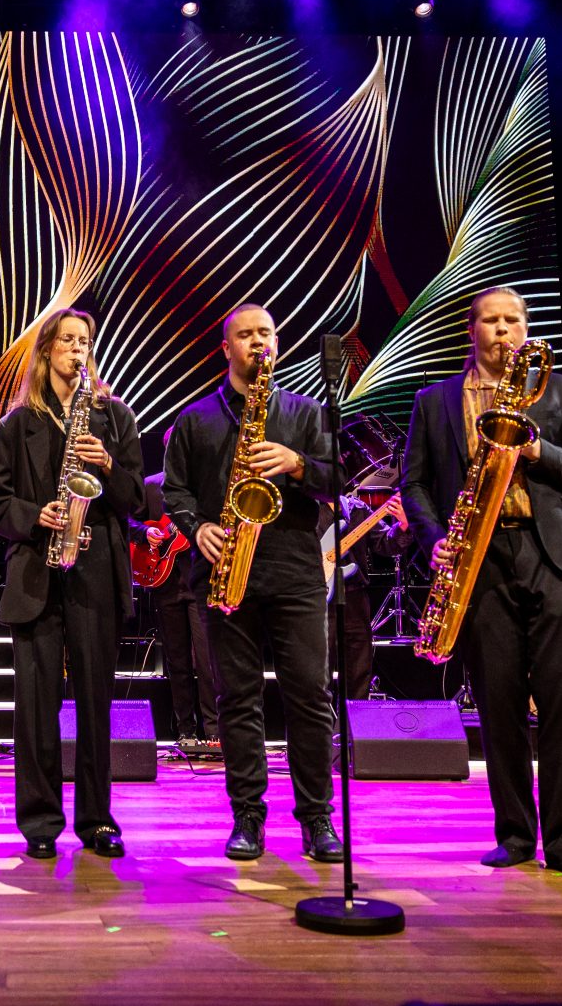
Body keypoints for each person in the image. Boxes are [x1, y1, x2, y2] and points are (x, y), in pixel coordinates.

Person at [400, 287, 562, 881]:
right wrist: (432, 537)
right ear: (470, 331)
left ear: (526, 328)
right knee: (498, 703)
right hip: (480, 559)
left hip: (555, 558)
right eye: (490, 321)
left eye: (513, 320)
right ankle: (515, 834)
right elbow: (413, 483)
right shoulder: (435, 399)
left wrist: (537, 450)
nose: (502, 330)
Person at [162, 305, 344, 864]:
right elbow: (175, 491)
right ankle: (247, 815)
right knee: (237, 700)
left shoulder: (307, 413)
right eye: (246, 335)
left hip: (294, 571)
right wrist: (197, 527)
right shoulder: (196, 419)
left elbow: (338, 479)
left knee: (310, 697)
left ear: (278, 343)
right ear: (227, 348)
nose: (258, 342)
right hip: (224, 571)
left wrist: (297, 464)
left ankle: (317, 817)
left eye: (266, 333)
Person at [0, 309, 144, 859]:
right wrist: (35, 515)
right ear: (47, 350)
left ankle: (97, 820)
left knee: (95, 702)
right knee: (35, 706)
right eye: (68, 340)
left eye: (85, 342)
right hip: (36, 572)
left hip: (95, 572)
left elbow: (136, 500)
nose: (77, 350)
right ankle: (41, 821)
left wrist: (109, 465)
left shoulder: (113, 416)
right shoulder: (15, 424)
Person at [133, 425, 219, 746]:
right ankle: (185, 731)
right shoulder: (151, 486)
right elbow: (127, 520)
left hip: (200, 581)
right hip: (165, 581)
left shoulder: (205, 485)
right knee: (177, 661)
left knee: (207, 661)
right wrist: (146, 533)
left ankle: (213, 731)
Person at [327, 491, 409, 701]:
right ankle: (319, 722)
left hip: (355, 597)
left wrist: (403, 525)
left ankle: (354, 721)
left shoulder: (357, 509)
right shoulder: (308, 509)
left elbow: (386, 544)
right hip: (317, 598)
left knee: (358, 671)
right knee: (318, 673)